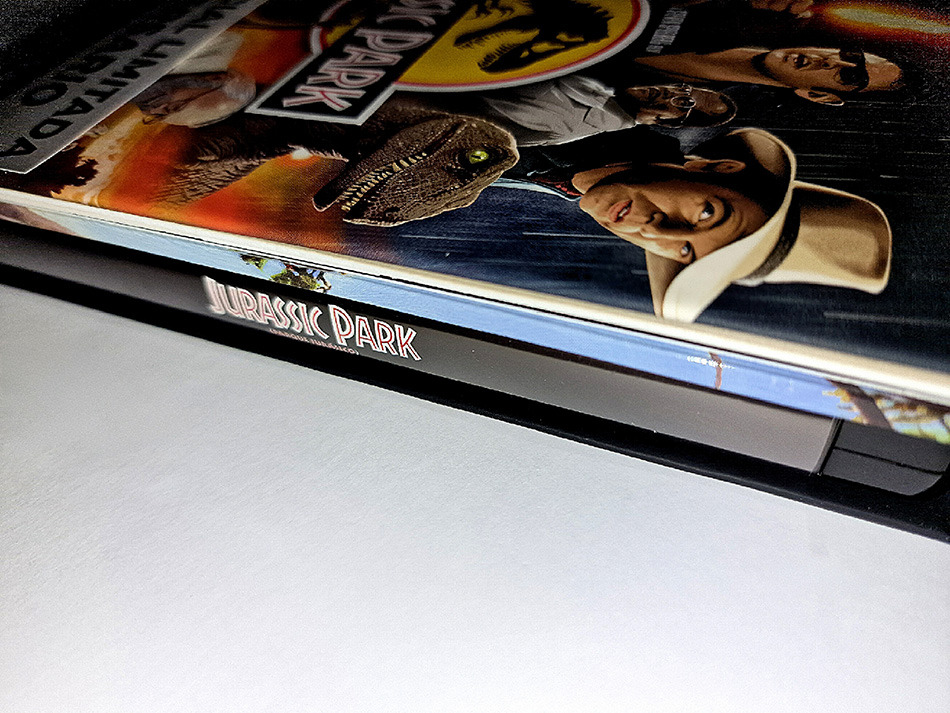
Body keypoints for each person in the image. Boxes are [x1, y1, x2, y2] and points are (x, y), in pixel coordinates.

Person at [573, 128, 892, 321]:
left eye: (685, 251)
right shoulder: (621, 123)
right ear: (719, 168)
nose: (652, 231)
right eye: (707, 214)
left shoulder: (573, 182)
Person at [474, 75, 737, 146]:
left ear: (666, 122)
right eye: (684, 88)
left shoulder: (567, 121)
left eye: (685, 103)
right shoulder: (599, 90)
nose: (672, 93)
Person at [634, 46, 903, 106]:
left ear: (818, 95)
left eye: (851, 76)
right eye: (852, 55)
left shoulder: (692, 113)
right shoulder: (724, 10)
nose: (831, 61)